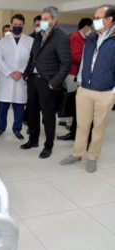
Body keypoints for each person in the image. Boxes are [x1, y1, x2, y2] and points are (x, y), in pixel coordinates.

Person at [60, 5, 115, 173]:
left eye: (98, 18)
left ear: (109, 19)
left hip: (105, 92)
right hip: (84, 89)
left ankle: (92, 157)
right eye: (95, 17)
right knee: (82, 125)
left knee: (98, 127)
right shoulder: (91, 37)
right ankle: (77, 153)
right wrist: (80, 80)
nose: (95, 21)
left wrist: (113, 92)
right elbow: (84, 59)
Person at [21, 6, 72, 159]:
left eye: (45, 19)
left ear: (54, 20)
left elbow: (66, 64)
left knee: (48, 117)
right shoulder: (38, 35)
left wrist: (53, 83)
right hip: (33, 80)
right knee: (32, 112)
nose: (42, 22)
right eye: (41, 19)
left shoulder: (61, 37)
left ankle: (48, 146)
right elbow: (32, 57)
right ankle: (33, 140)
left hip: (47, 83)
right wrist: (26, 73)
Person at [0, 14, 33, 140]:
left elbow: (32, 60)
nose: (17, 27)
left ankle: (17, 129)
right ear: (11, 25)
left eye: (20, 25)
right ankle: (0, 128)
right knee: (3, 106)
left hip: (21, 78)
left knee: (19, 105)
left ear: (23, 25)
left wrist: (21, 72)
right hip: (7, 78)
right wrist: (10, 72)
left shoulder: (30, 41)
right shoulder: (2, 41)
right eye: (15, 25)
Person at [57, 17, 93, 141]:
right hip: (72, 73)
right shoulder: (75, 37)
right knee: (71, 99)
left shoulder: (84, 38)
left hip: (80, 74)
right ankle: (69, 124)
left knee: (76, 100)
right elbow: (75, 56)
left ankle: (73, 125)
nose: (91, 30)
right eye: (91, 27)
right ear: (87, 27)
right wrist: (88, 59)